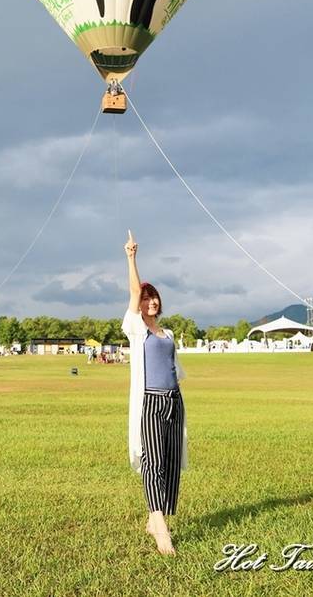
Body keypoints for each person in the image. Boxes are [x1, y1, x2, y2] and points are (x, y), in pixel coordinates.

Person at [122, 230, 188, 556]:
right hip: (149, 401)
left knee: (172, 461)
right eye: (147, 298)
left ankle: (156, 517)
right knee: (153, 462)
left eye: (155, 297)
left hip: (174, 401)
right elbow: (134, 289)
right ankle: (158, 521)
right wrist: (131, 257)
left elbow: (175, 369)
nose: (152, 301)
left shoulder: (168, 332)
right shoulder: (134, 329)